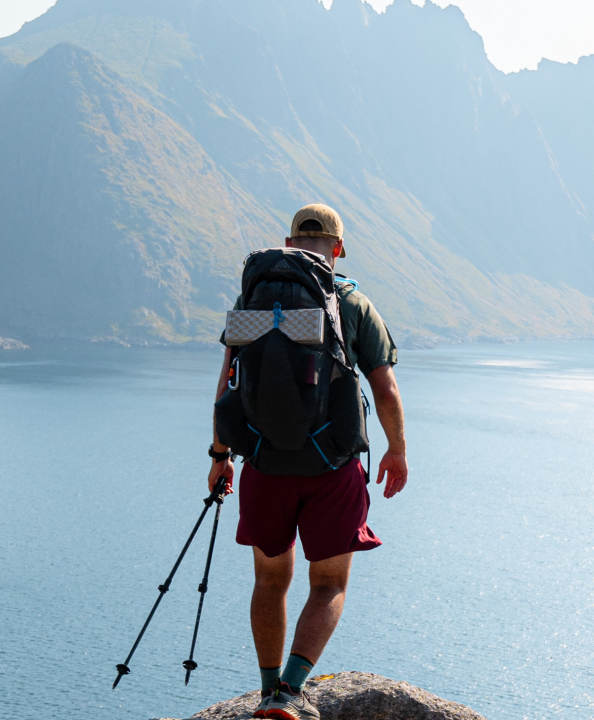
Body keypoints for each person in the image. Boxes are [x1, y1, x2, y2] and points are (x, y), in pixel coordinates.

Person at [207, 203, 409, 720]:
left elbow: (229, 379)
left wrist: (220, 455)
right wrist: (397, 450)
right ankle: (290, 693)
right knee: (329, 584)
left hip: (265, 462)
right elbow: (384, 389)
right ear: (337, 249)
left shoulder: (253, 298)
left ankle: (267, 687)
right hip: (331, 467)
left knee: (270, 580)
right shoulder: (352, 303)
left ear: (291, 241)